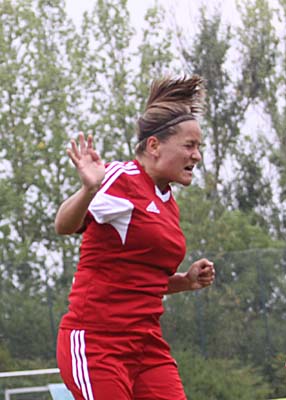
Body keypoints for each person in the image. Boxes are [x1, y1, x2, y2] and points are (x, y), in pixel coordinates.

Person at [54, 75, 215, 400]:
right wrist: (89, 189)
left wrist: (185, 281)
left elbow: (141, 281)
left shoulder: (167, 202)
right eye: (189, 145)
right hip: (97, 345)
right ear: (154, 146)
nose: (197, 156)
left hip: (146, 347)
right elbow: (63, 224)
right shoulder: (122, 179)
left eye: (199, 147)